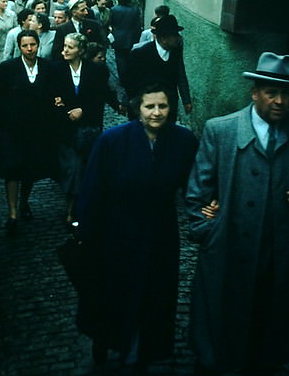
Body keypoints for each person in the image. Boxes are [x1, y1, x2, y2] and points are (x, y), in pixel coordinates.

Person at [186, 52, 289, 376]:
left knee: (272, 318)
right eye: (271, 92)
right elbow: (197, 191)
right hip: (229, 248)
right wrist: (209, 232)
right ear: (254, 92)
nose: (280, 101)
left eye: (287, 93)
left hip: (280, 248)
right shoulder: (221, 130)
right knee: (223, 320)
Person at [76, 85, 198, 374]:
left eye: (163, 107)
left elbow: (195, 185)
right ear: (137, 109)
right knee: (113, 292)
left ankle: (145, 348)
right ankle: (106, 340)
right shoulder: (112, 141)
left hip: (160, 233)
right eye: (149, 107)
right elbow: (92, 191)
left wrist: (207, 207)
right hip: (116, 232)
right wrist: (88, 234)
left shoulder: (183, 141)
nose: (157, 113)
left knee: (154, 294)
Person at [0, 30, 59, 233]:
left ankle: (24, 202)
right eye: (25, 46)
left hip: (37, 128)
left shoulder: (47, 68)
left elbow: (53, 94)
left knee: (30, 168)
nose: (29, 49)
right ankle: (12, 212)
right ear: (19, 47)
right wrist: (12, 112)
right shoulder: (8, 68)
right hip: (11, 129)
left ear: (38, 46)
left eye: (33, 45)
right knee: (12, 168)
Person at [52, 32, 116, 225]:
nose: (65, 50)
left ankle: (86, 207)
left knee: (88, 169)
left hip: (89, 129)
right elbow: (52, 97)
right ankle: (70, 209)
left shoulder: (96, 71)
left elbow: (99, 98)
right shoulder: (56, 70)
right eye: (64, 46)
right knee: (72, 169)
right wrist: (65, 111)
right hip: (66, 129)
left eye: (70, 47)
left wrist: (83, 110)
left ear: (80, 50)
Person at [124, 14, 192, 121]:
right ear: (164, 38)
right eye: (175, 35)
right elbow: (129, 81)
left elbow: (180, 75)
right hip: (146, 107)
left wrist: (186, 100)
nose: (178, 38)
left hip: (168, 107)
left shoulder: (176, 52)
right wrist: (133, 104)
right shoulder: (140, 53)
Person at [109, 0, 142, 83]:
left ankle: (122, 78)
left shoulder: (114, 10)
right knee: (130, 58)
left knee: (120, 58)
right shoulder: (134, 10)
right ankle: (130, 77)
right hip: (131, 37)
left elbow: (112, 23)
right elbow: (137, 26)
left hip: (118, 37)